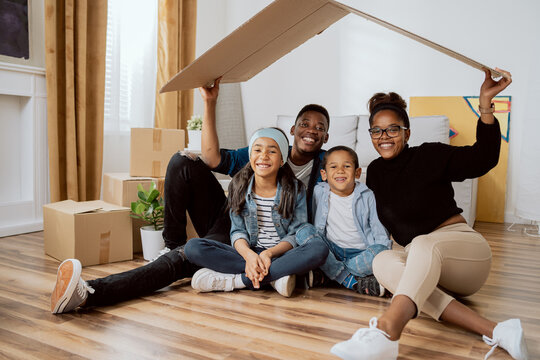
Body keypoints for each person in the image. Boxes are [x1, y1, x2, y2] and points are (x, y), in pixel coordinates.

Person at [50, 78, 331, 313]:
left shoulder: (327, 166)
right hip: (237, 229)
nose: (312, 131)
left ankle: (92, 292)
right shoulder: (263, 148)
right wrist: (210, 102)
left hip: (274, 243)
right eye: (306, 124)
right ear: (293, 130)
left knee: (186, 259)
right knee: (182, 163)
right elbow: (212, 159)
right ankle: (169, 247)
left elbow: (309, 223)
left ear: (326, 137)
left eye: (320, 128)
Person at [330, 68, 528, 360]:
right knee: (382, 260)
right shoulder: (374, 175)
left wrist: (485, 103)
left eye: (393, 129)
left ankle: (387, 331)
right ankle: (499, 330)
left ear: (406, 132)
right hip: (423, 265)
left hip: (464, 256)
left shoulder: (430, 154)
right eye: (377, 130)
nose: (384, 136)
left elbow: (484, 158)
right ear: (371, 135)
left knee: (423, 243)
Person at [184, 128, 328, 297]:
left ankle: (238, 281)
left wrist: (268, 253)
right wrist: (250, 256)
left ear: (282, 159)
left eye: (272, 151)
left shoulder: (296, 189)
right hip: (248, 253)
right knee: (193, 247)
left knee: (319, 248)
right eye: (257, 150)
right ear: (250, 156)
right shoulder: (239, 185)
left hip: (281, 255)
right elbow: (237, 231)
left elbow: (295, 234)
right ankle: (275, 278)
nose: (264, 156)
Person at [312, 146, 391, 296]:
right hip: (331, 251)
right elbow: (314, 224)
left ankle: (333, 275)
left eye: (346, 166)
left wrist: (383, 253)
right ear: (324, 174)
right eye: (333, 166)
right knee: (304, 232)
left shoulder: (367, 195)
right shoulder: (319, 192)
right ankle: (353, 279)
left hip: (360, 254)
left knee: (381, 251)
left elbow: (378, 229)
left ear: (357, 172)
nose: (340, 170)